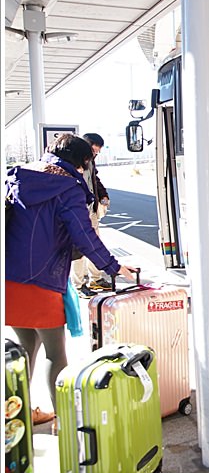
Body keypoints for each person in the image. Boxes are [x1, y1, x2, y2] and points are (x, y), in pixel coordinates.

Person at [5, 133, 136, 425]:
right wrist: (114, 267)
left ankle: (18, 417)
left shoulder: (18, 176)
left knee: (25, 347)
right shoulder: (66, 187)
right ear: (82, 162)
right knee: (56, 353)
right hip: (40, 279)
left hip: (8, 278)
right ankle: (65, 425)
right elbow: (84, 235)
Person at [69, 132, 111, 296]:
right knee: (79, 250)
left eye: (97, 152)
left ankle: (96, 279)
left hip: (91, 210)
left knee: (95, 245)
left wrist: (103, 195)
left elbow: (95, 180)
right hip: (77, 214)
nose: (95, 155)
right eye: (94, 151)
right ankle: (78, 285)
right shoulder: (71, 162)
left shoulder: (90, 162)